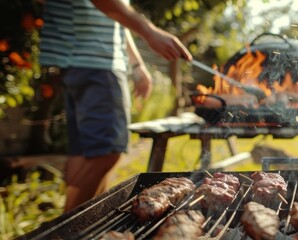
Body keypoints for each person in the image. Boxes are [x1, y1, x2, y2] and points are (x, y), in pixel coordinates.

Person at [39, 0, 192, 212]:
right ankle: (65, 231)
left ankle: (85, 225)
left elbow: (113, 15)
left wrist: (135, 62)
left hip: (83, 60)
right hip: (95, 60)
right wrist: (149, 31)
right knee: (106, 151)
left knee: (86, 153)